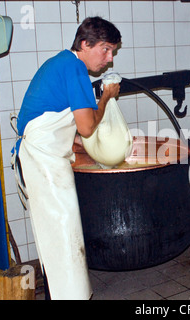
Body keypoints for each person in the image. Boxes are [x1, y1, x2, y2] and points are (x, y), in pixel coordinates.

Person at [12, 17, 121, 300]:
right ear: (85, 44)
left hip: (42, 158)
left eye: (113, 52)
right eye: (106, 50)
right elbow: (86, 127)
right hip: (42, 163)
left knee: (58, 240)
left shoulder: (61, 63)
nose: (109, 60)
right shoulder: (75, 70)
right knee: (62, 240)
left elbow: (60, 125)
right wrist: (106, 96)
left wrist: (82, 148)